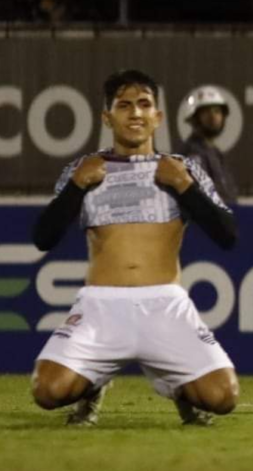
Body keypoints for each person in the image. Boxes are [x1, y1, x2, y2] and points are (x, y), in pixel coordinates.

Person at [30, 69, 239, 427]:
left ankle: (177, 388)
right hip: (100, 306)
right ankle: (94, 385)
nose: (136, 113)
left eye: (144, 105)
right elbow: (42, 238)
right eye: (124, 105)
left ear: (158, 117)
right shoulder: (83, 170)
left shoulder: (182, 168)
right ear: (107, 117)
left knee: (223, 397)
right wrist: (77, 186)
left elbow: (228, 236)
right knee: (47, 391)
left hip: (166, 306)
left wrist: (185, 187)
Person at [181, 85, 239, 206]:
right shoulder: (192, 153)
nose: (213, 117)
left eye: (217, 111)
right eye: (206, 112)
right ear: (194, 118)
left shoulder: (215, 153)